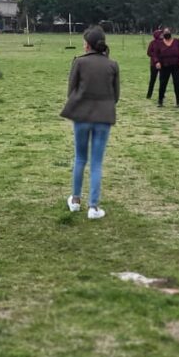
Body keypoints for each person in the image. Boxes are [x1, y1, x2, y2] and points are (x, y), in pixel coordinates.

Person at [61, 26, 119, 220]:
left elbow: (71, 90)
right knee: (96, 163)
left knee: (80, 158)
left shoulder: (79, 62)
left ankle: (75, 201)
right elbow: (115, 95)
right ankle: (93, 207)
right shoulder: (112, 64)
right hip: (104, 118)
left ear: (88, 44)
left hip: (82, 117)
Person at [151, 27, 179, 107]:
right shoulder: (159, 44)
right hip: (164, 66)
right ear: (163, 34)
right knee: (163, 83)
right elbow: (155, 54)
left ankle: (178, 102)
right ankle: (160, 101)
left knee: (177, 83)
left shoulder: (177, 42)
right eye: (165, 32)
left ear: (171, 32)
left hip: (176, 66)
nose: (166, 33)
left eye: (168, 31)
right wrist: (157, 62)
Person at [145, 27, 163, 99]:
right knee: (152, 79)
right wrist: (155, 56)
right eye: (160, 34)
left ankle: (162, 94)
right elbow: (148, 53)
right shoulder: (152, 43)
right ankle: (149, 94)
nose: (162, 35)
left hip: (163, 64)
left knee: (162, 80)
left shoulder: (164, 42)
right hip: (154, 64)